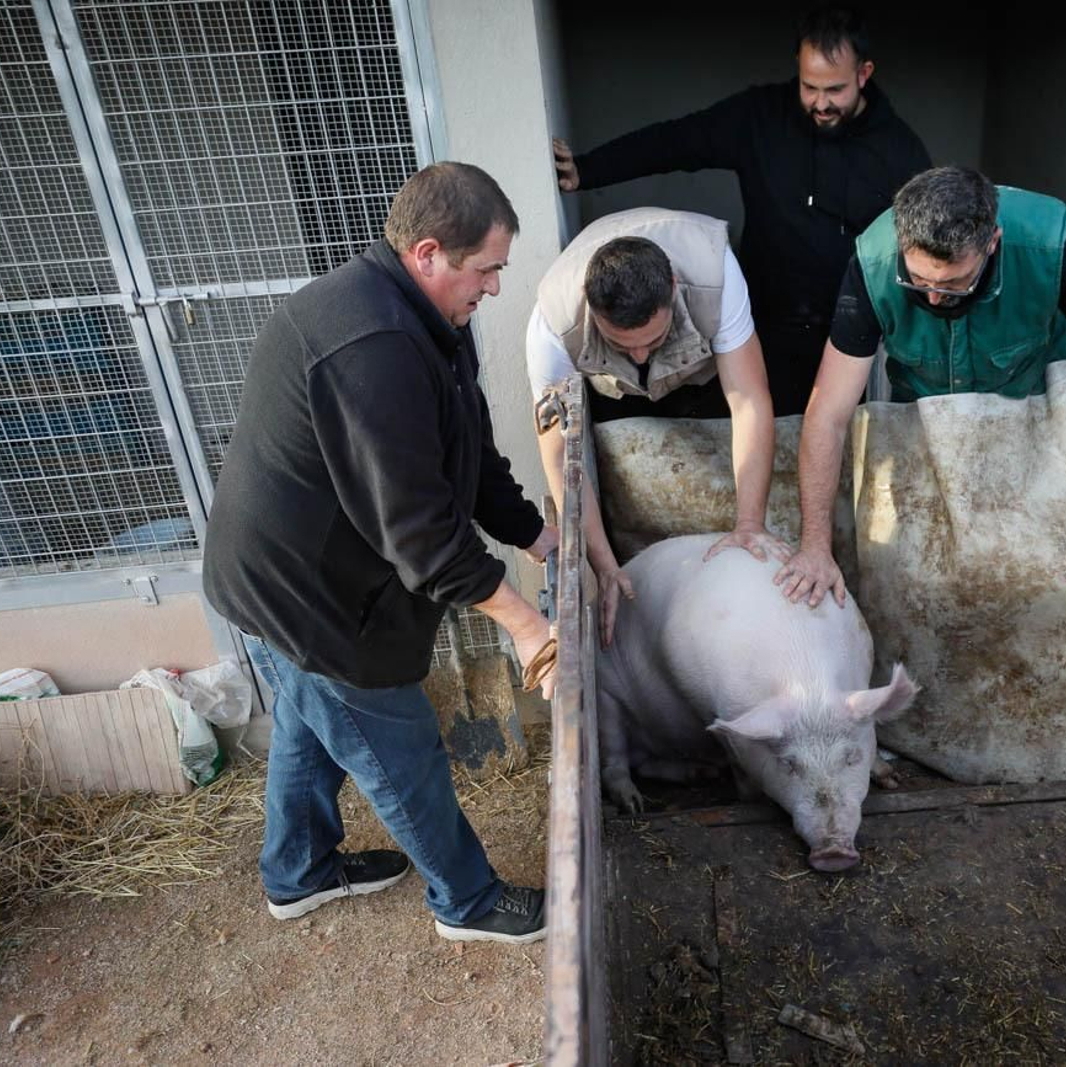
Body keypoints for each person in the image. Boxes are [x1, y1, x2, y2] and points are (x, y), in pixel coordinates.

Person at [203, 162, 555, 944]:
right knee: (399, 749)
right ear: (427, 253)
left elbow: (465, 450)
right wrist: (526, 623)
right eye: (486, 268)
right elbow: (421, 528)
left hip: (299, 575)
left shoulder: (428, 320)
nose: (496, 286)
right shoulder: (372, 345)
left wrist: (535, 532)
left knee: (309, 726)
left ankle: (297, 873)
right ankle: (467, 902)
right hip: (306, 594)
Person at [775, 165, 1066, 607]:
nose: (934, 296)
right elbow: (827, 415)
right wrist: (815, 546)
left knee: (1042, 582)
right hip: (922, 425)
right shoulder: (873, 264)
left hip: (1030, 424)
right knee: (922, 581)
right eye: (918, 281)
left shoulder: (1049, 246)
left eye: (953, 283)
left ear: (992, 242)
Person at [552, 5, 930, 416]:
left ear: (864, 73)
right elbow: (677, 141)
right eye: (809, 87)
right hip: (761, 325)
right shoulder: (760, 116)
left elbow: (922, 245)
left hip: (845, 336)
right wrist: (588, 170)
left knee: (832, 436)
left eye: (835, 90)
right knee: (751, 426)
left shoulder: (899, 150)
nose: (820, 103)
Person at [527, 207, 781, 648]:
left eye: (653, 339)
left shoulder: (716, 275)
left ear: (674, 289)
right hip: (614, 392)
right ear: (591, 307)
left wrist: (750, 524)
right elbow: (560, 452)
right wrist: (604, 567)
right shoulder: (553, 321)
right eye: (623, 343)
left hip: (699, 379)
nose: (641, 355)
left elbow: (749, 401)